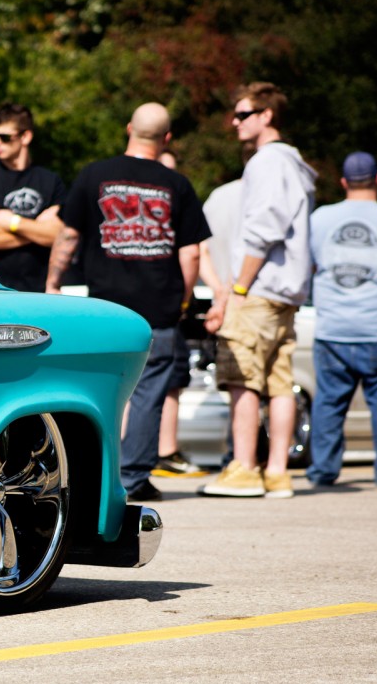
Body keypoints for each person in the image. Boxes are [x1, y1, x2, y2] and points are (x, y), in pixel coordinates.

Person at [47, 103, 210, 501]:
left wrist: (51, 283)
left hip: (107, 312)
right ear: (167, 139)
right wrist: (182, 299)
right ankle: (133, 478)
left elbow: (69, 237)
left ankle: (91, 478)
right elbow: (191, 255)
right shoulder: (178, 185)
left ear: (128, 129)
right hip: (158, 311)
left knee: (100, 391)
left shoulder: (94, 175)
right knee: (150, 395)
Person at [200, 82, 316, 499]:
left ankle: (245, 468)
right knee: (280, 382)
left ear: (267, 115)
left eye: (243, 114)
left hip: (259, 290)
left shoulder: (268, 162)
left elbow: (264, 229)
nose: (234, 121)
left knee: (242, 380)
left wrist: (238, 287)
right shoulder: (296, 163)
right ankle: (278, 472)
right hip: (285, 294)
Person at [305, 152, 377, 487]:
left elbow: (308, 262)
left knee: (329, 403)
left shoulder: (320, 219)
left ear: (344, 182)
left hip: (333, 330)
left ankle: (323, 473)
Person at [0, 102, 68, 292]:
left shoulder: (51, 181)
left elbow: (60, 236)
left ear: (25, 136)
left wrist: (13, 222)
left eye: (4, 137)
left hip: (40, 291)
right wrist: (37, 229)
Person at [153, 147, 207, 477]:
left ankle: (154, 451)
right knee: (168, 381)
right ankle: (165, 451)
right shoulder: (178, 193)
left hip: (126, 302)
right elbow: (194, 255)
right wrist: (184, 300)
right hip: (164, 307)